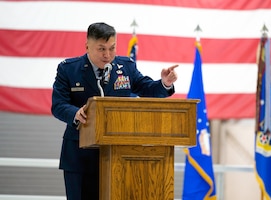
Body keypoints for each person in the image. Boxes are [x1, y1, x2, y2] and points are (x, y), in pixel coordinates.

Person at [51, 22, 178, 200]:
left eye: (112, 48)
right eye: (101, 49)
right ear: (87, 46)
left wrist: (164, 83)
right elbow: (58, 105)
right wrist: (75, 113)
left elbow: (146, 87)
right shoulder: (68, 69)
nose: (108, 55)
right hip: (79, 156)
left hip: (119, 156)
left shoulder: (125, 66)